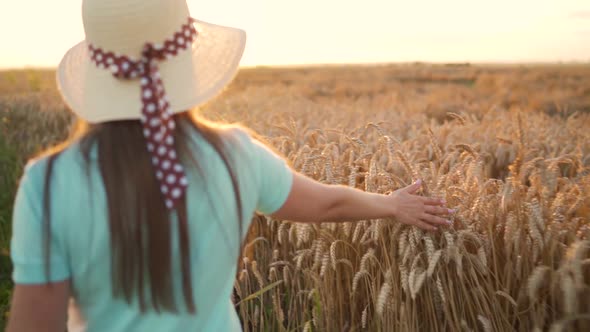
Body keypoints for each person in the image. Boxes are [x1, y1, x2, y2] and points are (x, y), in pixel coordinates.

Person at [7, 0, 452, 331]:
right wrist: (392, 204)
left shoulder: (48, 183)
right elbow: (326, 206)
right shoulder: (237, 155)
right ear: (185, 59)